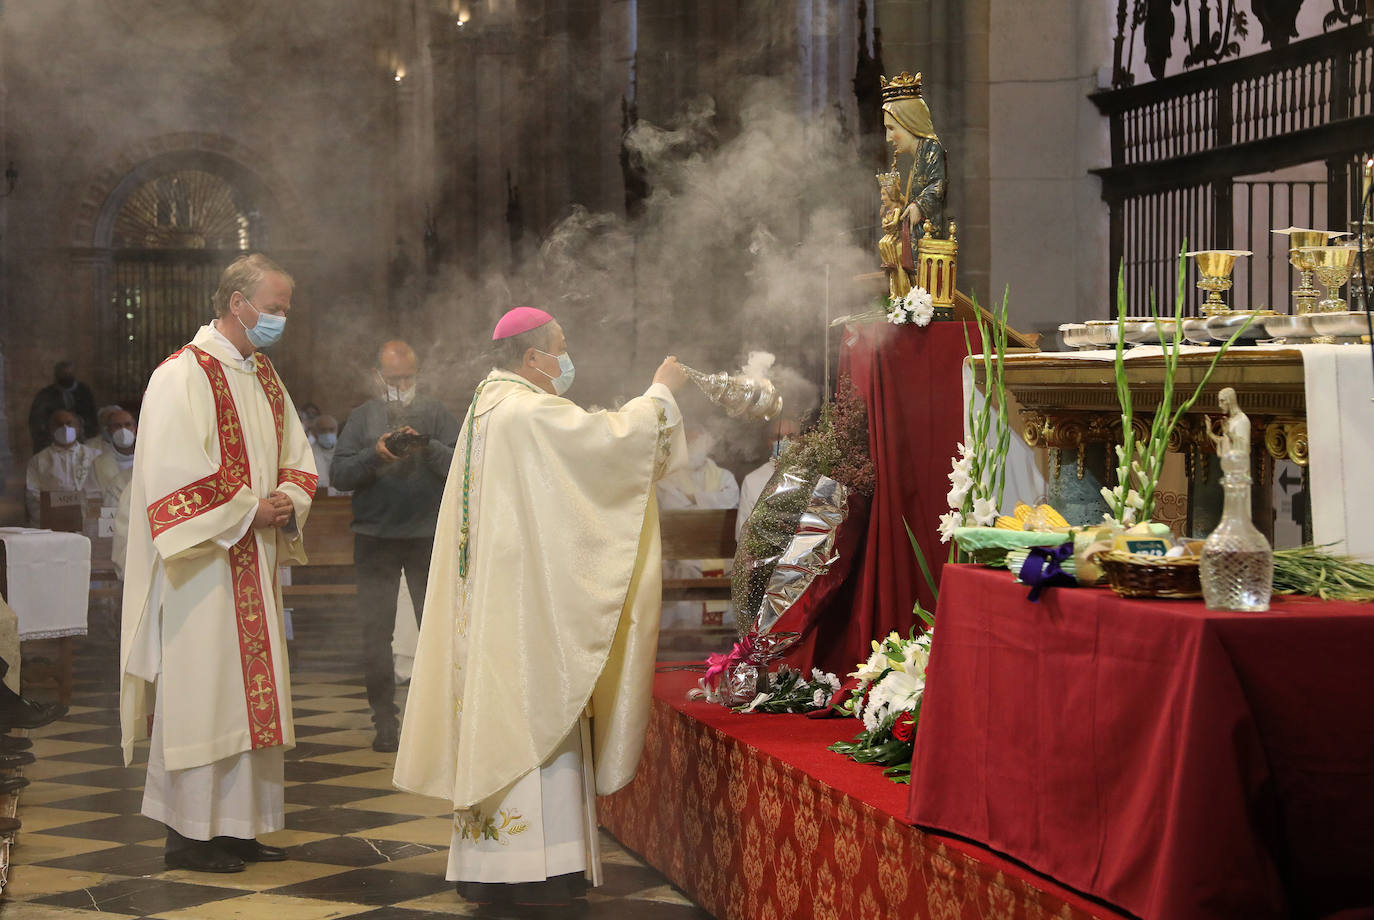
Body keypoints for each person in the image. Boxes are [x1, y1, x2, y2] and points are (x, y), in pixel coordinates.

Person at [394, 307, 687, 909]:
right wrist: (660, 393)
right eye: (560, 346)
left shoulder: (488, 406)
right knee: (536, 711)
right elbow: (608, 449)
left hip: (503, 600)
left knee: (509, 718)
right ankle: (536, 872)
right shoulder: (526, 410)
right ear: (532, 357)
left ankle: (501, 867)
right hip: (524, 611)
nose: (566, 355)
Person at [119, 252, 317, 874]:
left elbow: (298, 452)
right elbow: (171, 476)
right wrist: (245, 510)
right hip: (203, 571)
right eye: (276, 308)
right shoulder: (181, 375)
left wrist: (289, 497)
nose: (282, 319)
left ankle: (238, 828)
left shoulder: (263, 376)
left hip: (253, 564)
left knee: (249, 702)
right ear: (239, 303)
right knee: (205, 698)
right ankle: (190, 835)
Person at [329, 340, 458, 752]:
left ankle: (443, 723)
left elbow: (464, 463)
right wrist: (376, 454)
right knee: (375, 633)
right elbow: (340, 474)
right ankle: (384, 722)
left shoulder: (436, 412)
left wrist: (427, 446)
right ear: (378, 377)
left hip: (426, 537)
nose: (402, 385)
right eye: (394, 379)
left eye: (408, 377)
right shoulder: (363, 417)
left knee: (439, 632)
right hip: (375, 538)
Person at [657, 428, 739, 628]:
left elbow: (730, 502)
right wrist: (711, 500)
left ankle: (721, 641)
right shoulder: (669, 478)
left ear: (708, 445)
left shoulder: (725, 476)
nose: (694, 448)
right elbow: (673, 508)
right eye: (689, 443)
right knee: (681, 572)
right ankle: (686, 636)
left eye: (698, 443)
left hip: (721, 555)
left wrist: (693, 499)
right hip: (684, 556)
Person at [881, 71, 947, 245]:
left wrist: (918, 206)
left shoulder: (931, 148)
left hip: (928, 240)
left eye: (892, 128)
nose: (888, 138)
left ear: (909, 123)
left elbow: (938, 185)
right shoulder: (918, 154)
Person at [25, 408, 102, 524]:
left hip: (88, 524)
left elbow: (101, 491)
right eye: (59, 424)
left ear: (78, 427)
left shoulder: (94, 456)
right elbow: (32, 494)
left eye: (69, 423)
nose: (65, 428)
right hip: (52, 524)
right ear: (51, 429)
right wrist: (53, 517)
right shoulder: (38, 460)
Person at [28, 360, 99, 452]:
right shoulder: (46, 394)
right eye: (64, 374)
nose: (67, 376)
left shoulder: (84, 391)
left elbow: (92, 418)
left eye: (69, 373)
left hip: (81, 440)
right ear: (57, 375)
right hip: (53, 442)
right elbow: (37, 421)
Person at [92, 408, 137, 509]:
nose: (123, 429)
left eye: (128, 424)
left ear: (135, 428)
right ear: (108, 430)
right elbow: (92, 499)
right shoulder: (97, 464)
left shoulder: (147, 460)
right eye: (117, 426)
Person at [309, 414, 341, 494]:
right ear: (315, 432)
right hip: (319, 497)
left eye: (331, 429)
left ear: (337, 430)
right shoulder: (308, 453)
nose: (328, 433)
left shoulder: (345, 451)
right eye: (323, 430)